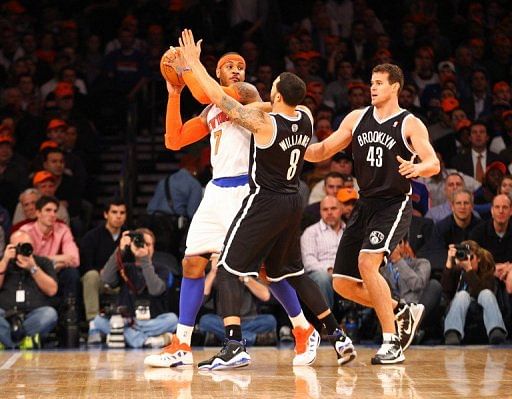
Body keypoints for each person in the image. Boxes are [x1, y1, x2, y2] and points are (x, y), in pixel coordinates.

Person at [177, 29, 356, 370]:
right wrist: (340, 138)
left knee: (228, 268)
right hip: (294, 202)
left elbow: (216, 95)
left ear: (274, 94)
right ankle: (338, 335)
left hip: (265, 200)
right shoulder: (303, 116)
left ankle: (233, 345)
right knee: (287, 272)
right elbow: (317, 151)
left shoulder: (264, 123)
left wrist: (193, 64)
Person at [144, 47, 318, 368]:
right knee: (192, 264)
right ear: (219, 73)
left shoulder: (247, 94)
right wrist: (173, 92)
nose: (236, 70)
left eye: (240, 66)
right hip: (215, 192)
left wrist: (187, 69)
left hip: (247, 190)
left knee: (267, 270)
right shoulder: (210, 112)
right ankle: (182, 341)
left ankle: (303, 328)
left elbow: (202, 91)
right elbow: (174, 140)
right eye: (229, 66)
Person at [305, 63, 440, 364]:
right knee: (341, 282)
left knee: (368, 263)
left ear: (395, 87)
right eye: (371, 82)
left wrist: (418, 168)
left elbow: (433, 162)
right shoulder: (357, 118)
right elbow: (324, 149)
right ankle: (399, 310)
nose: (373, 87)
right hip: (364, 203)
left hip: (393, 203)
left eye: (379, 82)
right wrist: (291, 146)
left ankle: (391, 341)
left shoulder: (409, 123)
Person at [88, 228, 178, 348]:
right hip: (126, 320)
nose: (144, 247)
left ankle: (126, 336)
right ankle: (147, 341)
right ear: (132, 245)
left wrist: (145, 260)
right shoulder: (126, 268)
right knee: (99, 320)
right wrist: (119, 250)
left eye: (148, 244)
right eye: (140, 243)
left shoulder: (163, 269)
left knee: (172, 319)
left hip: (151, 321)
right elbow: (106, 279)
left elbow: (155, 290)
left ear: (153, 247)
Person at [0, 230, 58, 349]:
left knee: (50, 314)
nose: (22, 251)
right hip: (5, 315)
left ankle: (8, 341)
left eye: (26, 246)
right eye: (18, 247)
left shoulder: (43, 262)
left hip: (33, 314)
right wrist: (5, 261)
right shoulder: (3, 262)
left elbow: (52, 290)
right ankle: (23, 341)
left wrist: (33, 268)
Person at [442, 240, 507, 345]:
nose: (467, 260)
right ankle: (452, 332)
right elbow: (445, 290)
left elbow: (480, 292)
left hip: (480, 313)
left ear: (479, 258)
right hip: (458, 312)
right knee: (462, 295)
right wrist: (449, 262)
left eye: (470, 257)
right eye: (463, 256)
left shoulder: (488, 274)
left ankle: (496, 330)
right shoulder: (457, 271)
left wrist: (469, 271)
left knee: (486, 293)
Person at [198, 259, 277, 346]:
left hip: (249, 321)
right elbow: (202, 298)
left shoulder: (251, 273)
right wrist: (213, 272)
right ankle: (253, 339)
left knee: (270, 321)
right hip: (224, 322)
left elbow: (266, 296)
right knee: (205, 321)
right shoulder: (221, 274)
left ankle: (226, 339)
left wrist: (245, 278)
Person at [80, 199, 127, 340]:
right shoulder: (92, 236)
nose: (118, 216)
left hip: (121, 283)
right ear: (106, 214)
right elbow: (85, 266)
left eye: (122, 213)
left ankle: (133, 325)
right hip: (99, 282)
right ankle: (94, 323)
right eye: (114, 212)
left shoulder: (129, 237)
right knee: (91, 275)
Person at [301, 195, 345, 309]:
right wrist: (329, 269)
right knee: (322, 277)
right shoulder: (311, 232)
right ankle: (328, 323)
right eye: (325, 209)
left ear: (341, 210)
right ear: (320, 212)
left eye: (333, 208)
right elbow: (308, 261)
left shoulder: (349, 231)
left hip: (345, 273)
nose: (329, 212)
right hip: (320, 273)